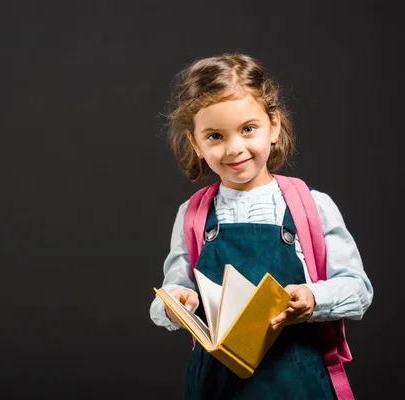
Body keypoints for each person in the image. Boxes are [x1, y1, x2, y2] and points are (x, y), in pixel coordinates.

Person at [148, 53, 373, 399]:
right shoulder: (193, 215)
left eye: (248, 129)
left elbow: (358, 289)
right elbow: (171, 292)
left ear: (274, 126)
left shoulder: (312, 206)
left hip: (296, 380)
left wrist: (313, 298)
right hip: (216, 384)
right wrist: (176, 302)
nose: (234, 148)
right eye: (214, 136)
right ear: (195, 143)